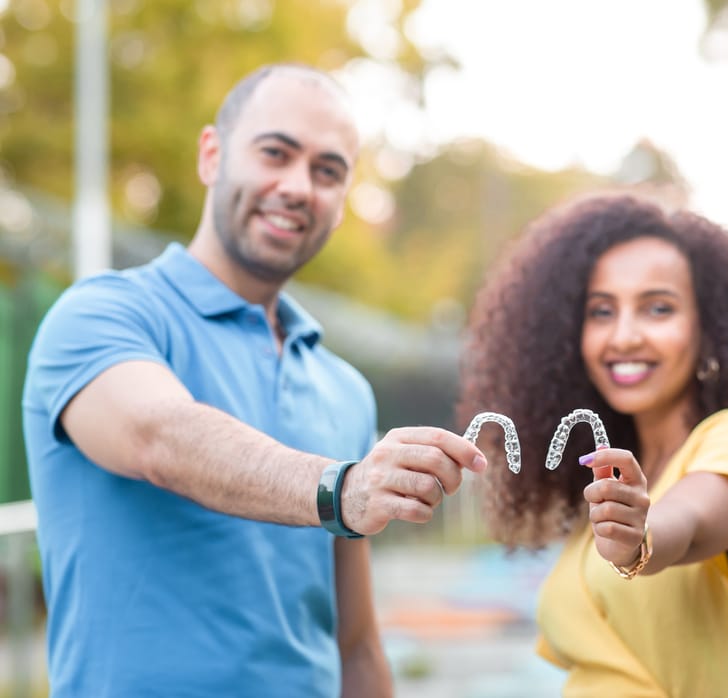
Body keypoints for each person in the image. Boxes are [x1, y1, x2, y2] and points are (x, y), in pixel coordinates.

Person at [22, 63, 486, 698]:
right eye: (275, 153)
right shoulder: (101, 315)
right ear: (211, 155)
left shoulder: (344, 389)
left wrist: (349, 493)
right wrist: (341, 488)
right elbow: (159, 436)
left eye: (327, 171)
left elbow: (354, 643)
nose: (298, 187)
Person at [456, 191, 728, 697]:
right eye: (601, 311)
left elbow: (689, 521)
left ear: (712, 328)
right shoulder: (615, 476)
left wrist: (642, 536)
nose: (624, 336)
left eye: (658, 308)